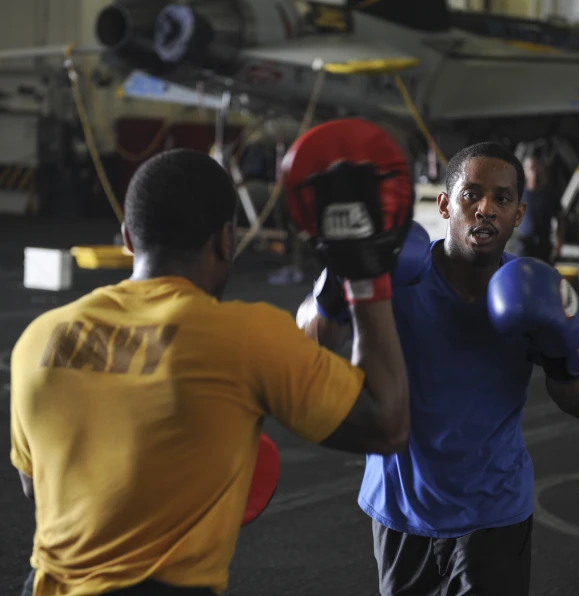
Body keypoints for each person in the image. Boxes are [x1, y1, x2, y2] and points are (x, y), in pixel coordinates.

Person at [10, 148, 411, 596]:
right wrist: (364, 278)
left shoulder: (40, 337)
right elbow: (386, 424)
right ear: (226, 239)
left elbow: (34, 484)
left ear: (127, 237)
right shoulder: (246, 336)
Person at [296, 141, 579, 596]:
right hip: (401, 510)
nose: (485, 209)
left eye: (501, 199)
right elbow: (306, 343)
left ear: (518, 214)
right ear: (444, 204)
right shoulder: (396, 275)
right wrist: (344, 275)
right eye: (470, 194)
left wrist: (565, 343)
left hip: (494, 513)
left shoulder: (532, 293)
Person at [511, 152, 565, 264]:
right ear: (525, 172)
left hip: (544, 245)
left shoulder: (550, 194)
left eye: (537, 167)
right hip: (524, 246)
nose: (535, 171)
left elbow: (561, 219)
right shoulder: (518, 194)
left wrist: (559, 243)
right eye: (531, 168)